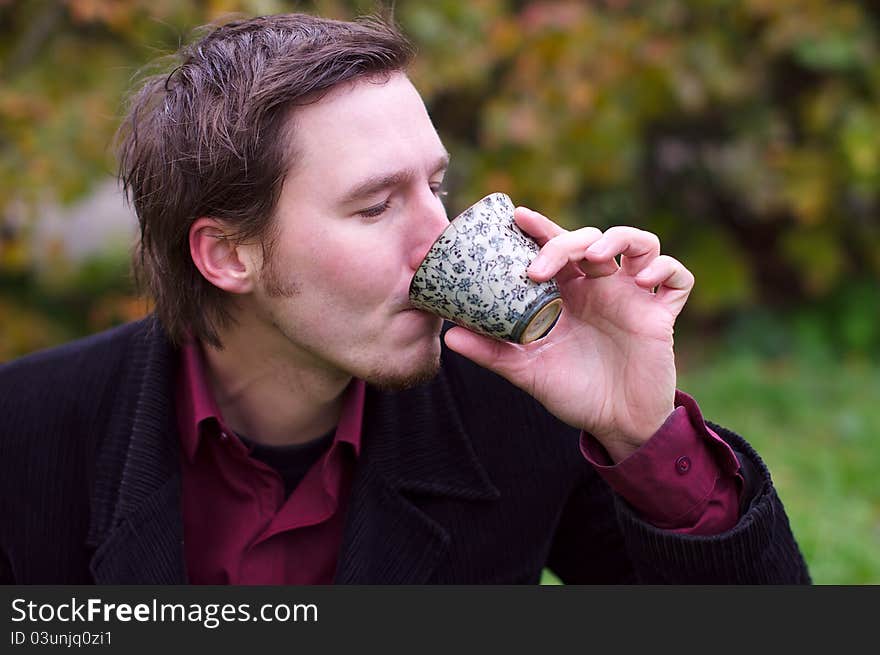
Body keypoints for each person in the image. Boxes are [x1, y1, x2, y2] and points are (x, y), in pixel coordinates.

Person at [0, 12, 810, 584]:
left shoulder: (517, 412)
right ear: (226, 254)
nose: (443, 234)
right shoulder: (27, 433)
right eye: (375, 204)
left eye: (437, 185)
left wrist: (640, 432)